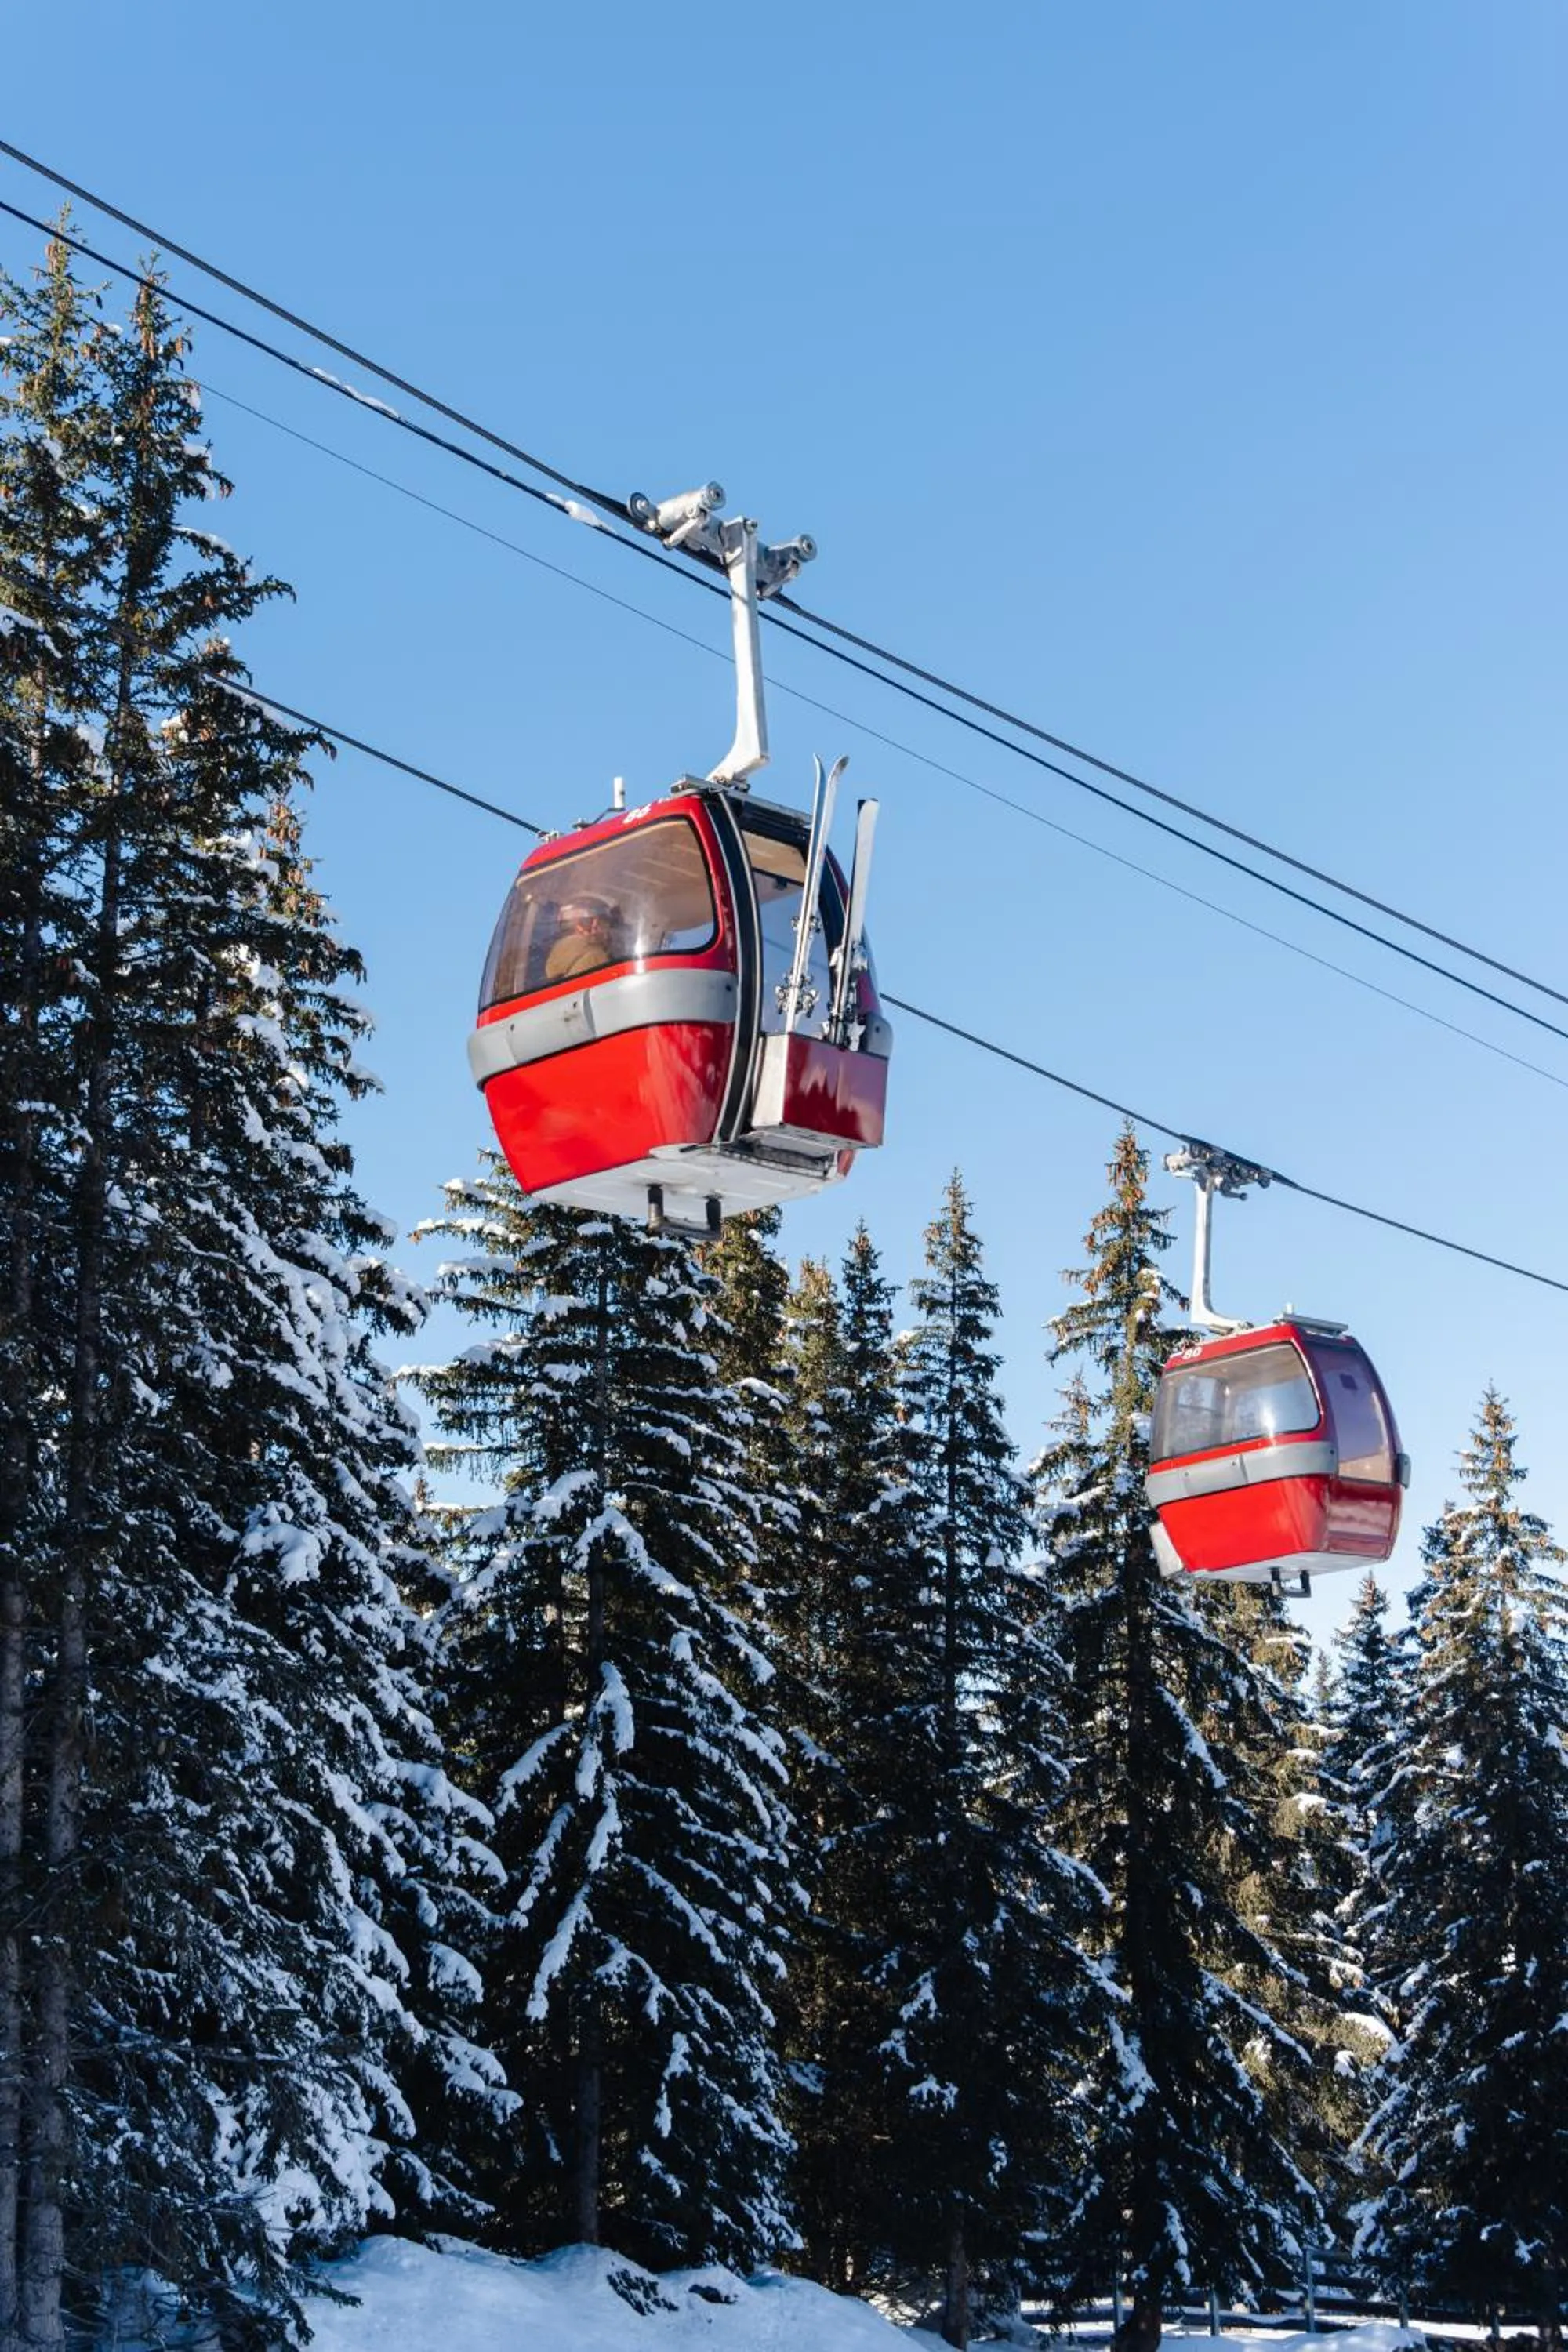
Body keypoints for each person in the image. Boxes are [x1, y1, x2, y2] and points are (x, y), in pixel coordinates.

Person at [544, 896, 621, 982]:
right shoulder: (596, 958)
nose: (608, 931)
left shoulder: (553, 961)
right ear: (594, 925)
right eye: (605, 923)